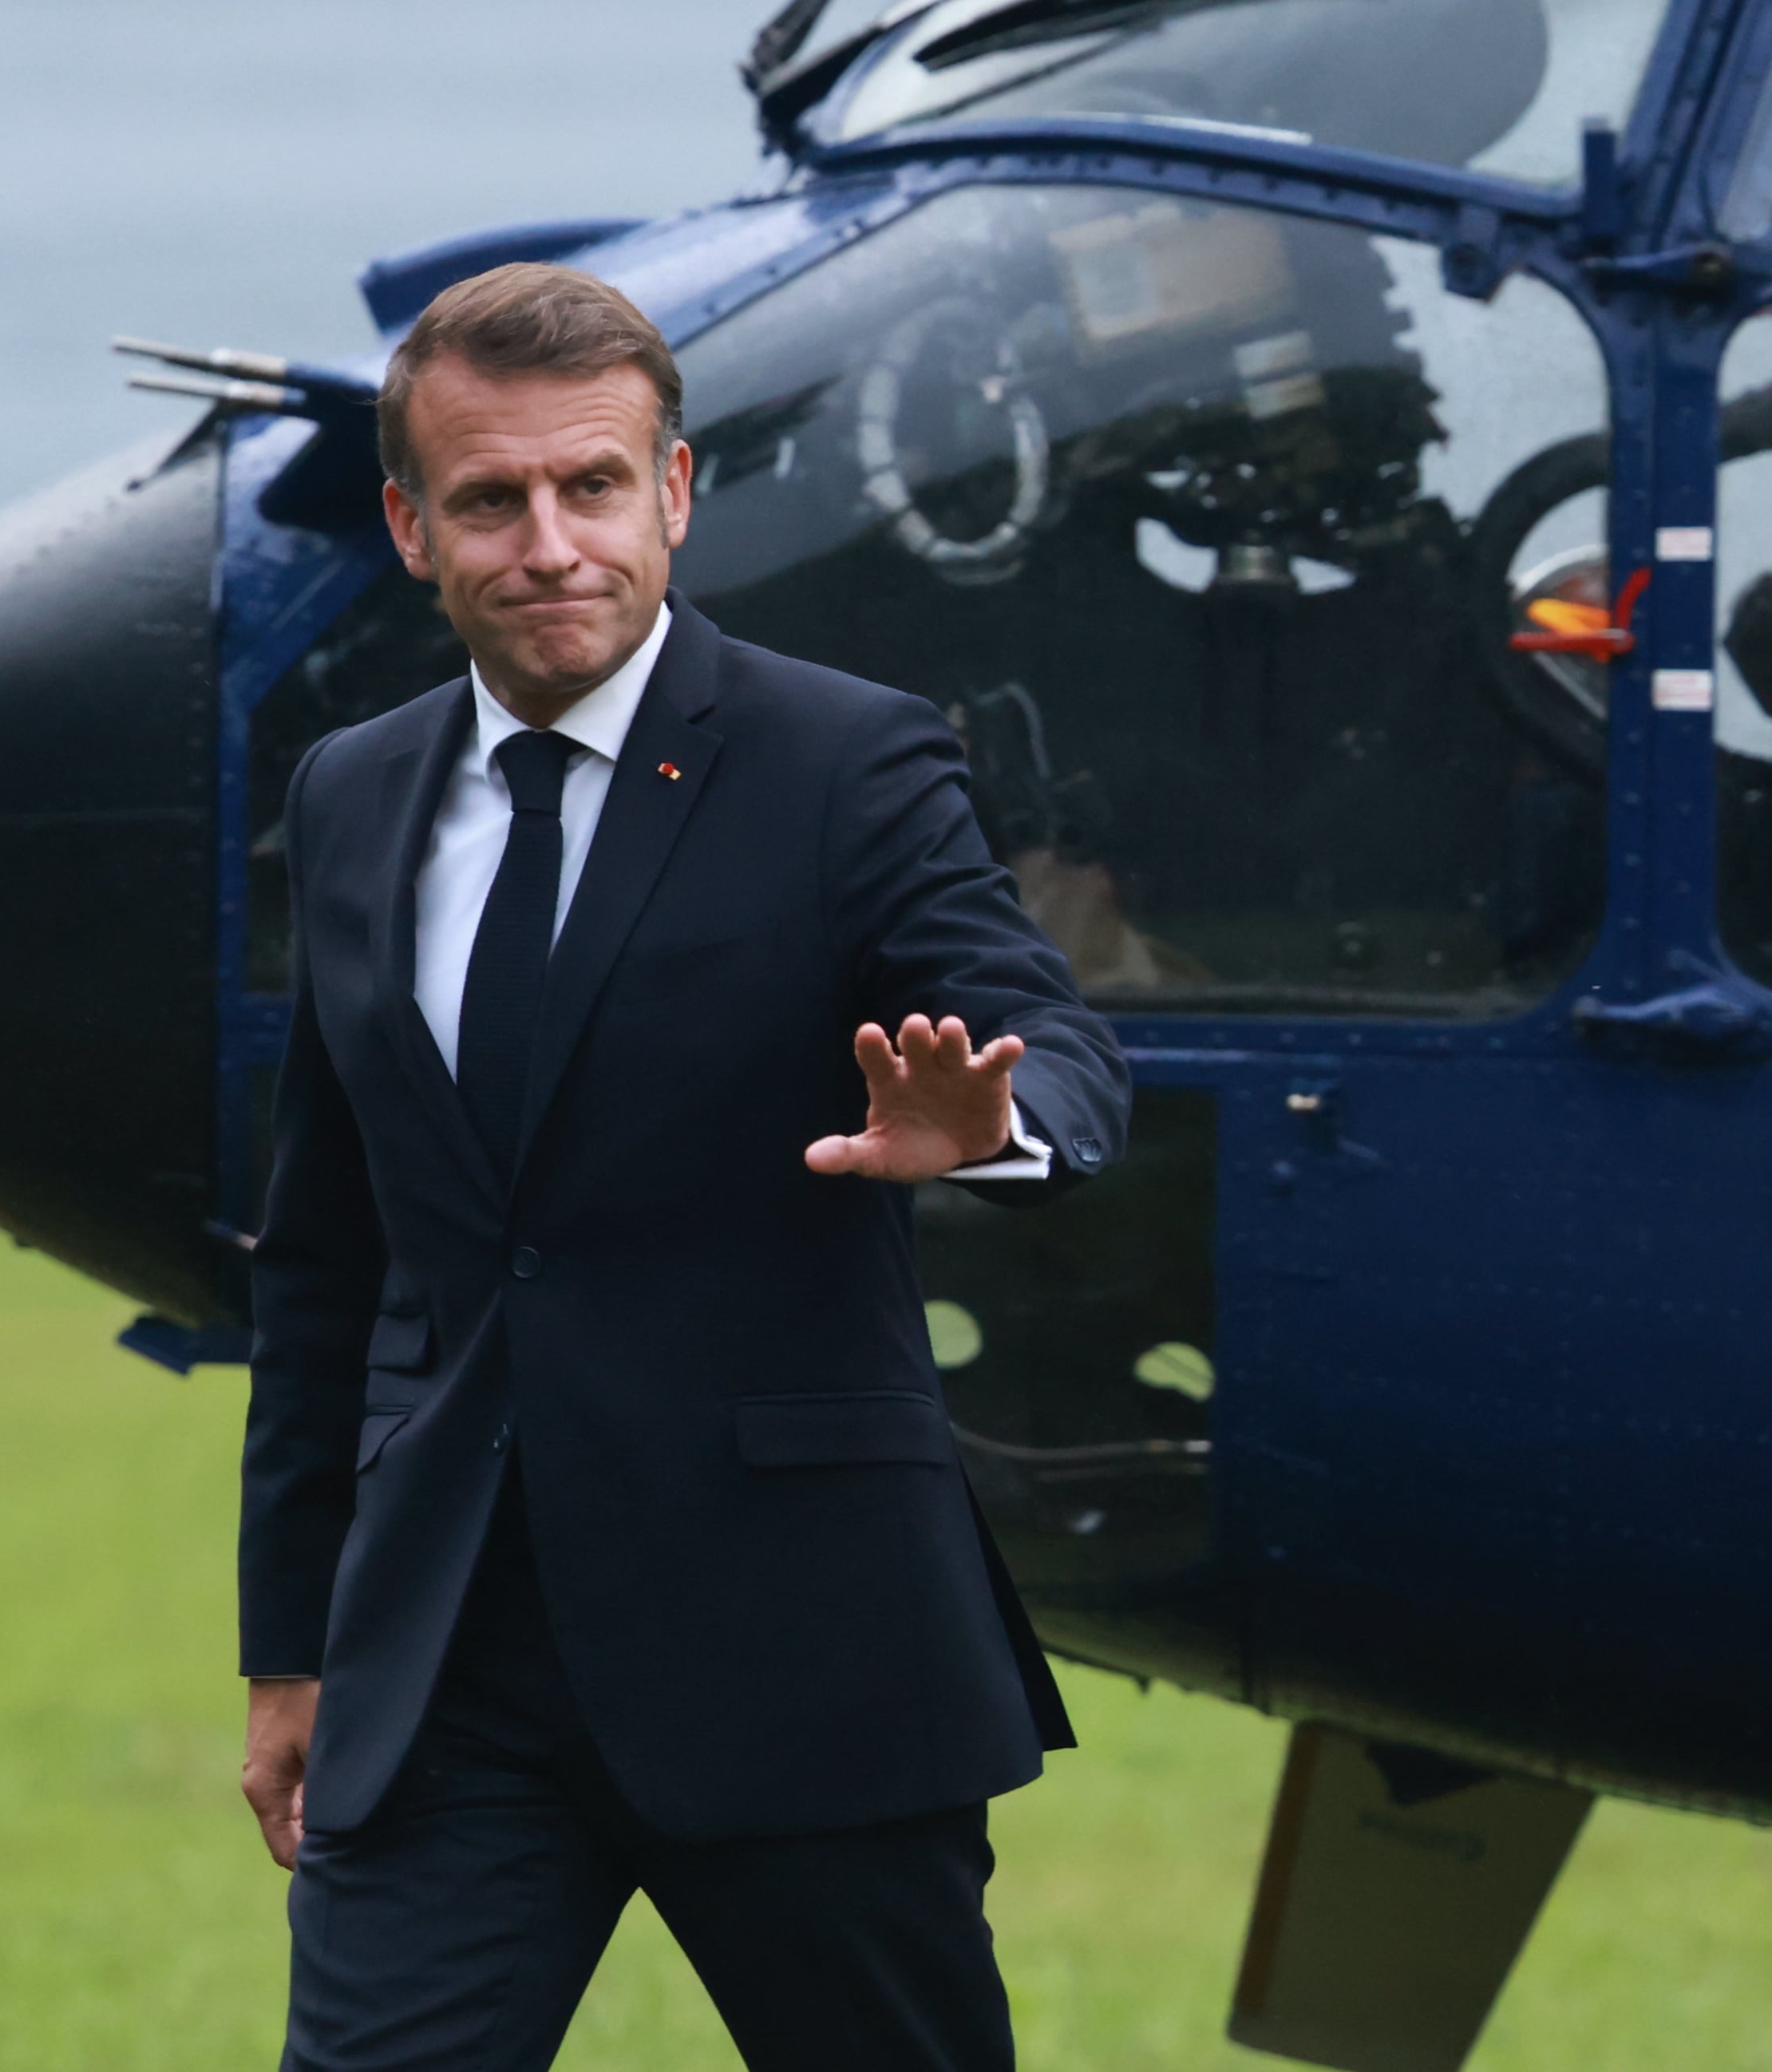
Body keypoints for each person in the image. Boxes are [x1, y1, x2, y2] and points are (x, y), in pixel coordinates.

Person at [236, 261, 1129, 2072]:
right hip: (450, 1661)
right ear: (414, 526)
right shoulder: (349, 790)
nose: (549, 541)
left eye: (592, 486)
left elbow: (1059, 1036)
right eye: (491, 498)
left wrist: (996, 1128)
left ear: (675, 494)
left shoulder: (846, 758)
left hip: (799, 1646)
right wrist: (290, 1640)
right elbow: (330, 1250)